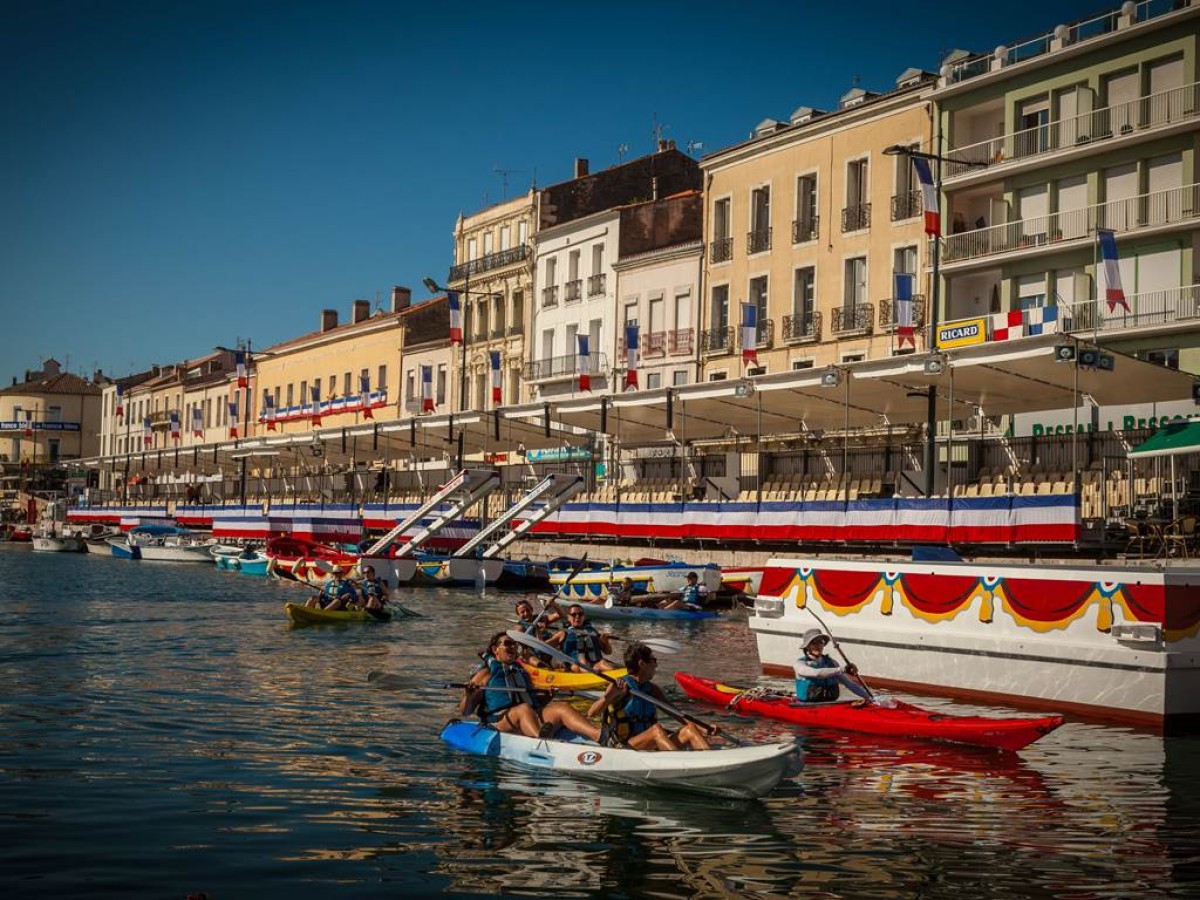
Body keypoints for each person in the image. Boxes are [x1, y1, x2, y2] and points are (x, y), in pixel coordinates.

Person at [460, 632, 602, 741]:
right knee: (523, 709)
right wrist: (468, 695)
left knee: (562, 707)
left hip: (529, 718)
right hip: (500, 723)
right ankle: (540, 741)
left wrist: (548, 696)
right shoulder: (486, 673)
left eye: (515, 644)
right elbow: (465, 712)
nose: (512, 647)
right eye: (508, 643)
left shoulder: (522, 672)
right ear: (495, 649)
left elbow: (535, 704)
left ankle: (598, 735)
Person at [588, 642, 716, 751]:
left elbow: (677, 714)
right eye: (653, 660)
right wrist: (611, 695)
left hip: (650, 743)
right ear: (642, 664)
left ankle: (711, 761)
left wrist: (704, 728)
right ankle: (680, 763)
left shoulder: (652, 689)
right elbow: (592, 713)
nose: (656, 665)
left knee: (690, 729)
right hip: (625, 746)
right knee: (656, 730)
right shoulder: (619, 686)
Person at [793, 628, 871, 703]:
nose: (818, 646)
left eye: (820, 642)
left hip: (830, 703)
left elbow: (850, 684)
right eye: (814, 643)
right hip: (806, 705)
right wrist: (843, 669)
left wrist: (869, 697)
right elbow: (816, 673)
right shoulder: (800, 664)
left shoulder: (832, 663)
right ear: (807, 647)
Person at [551, 605, 616, 671]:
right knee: (577, 666)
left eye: (580, 614)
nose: (577, 617)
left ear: (584, 617)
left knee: (604, 663)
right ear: (569, 617)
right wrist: (540, 631)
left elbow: (608, 652)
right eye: (573, 614)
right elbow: (543, 646)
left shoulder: (592, 631)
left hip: (596, 664)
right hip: (575, 668)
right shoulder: (563, 633)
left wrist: (606, 642)